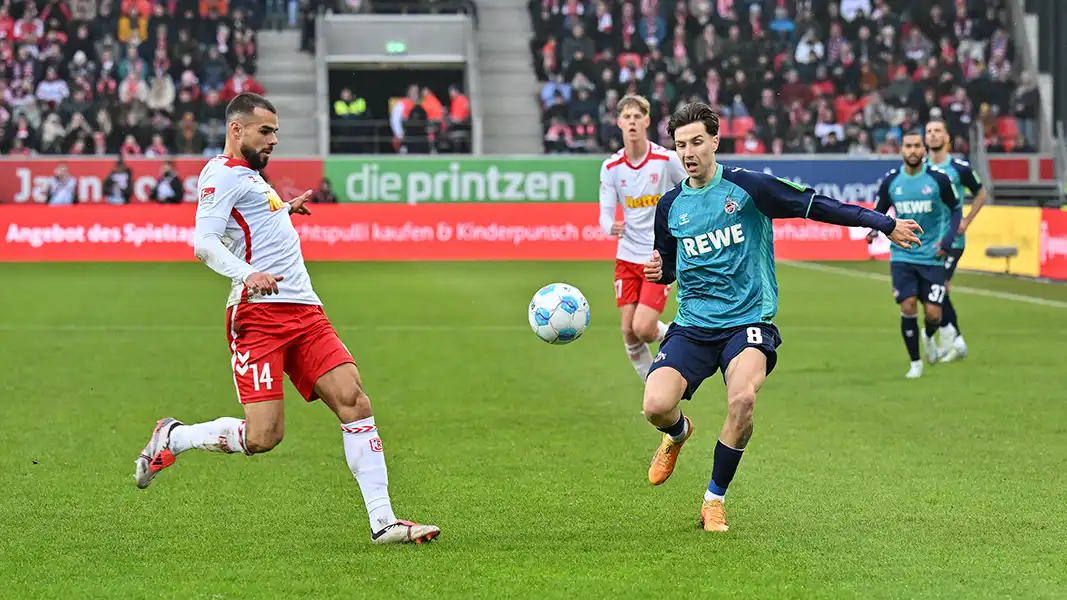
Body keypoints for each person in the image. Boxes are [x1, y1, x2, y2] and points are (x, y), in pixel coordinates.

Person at [132, 93, 440, 546]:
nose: (274, 139)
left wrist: (282, 210)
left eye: (275, 131)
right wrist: (247, 273)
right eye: (265, 131)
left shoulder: (252, 178)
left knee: (354, 400)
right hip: (259, 317)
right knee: (263, 436)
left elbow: (251, 225)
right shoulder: (221, 175)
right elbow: (204, 242)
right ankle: (174, 438)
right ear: (237, 130)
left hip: (305, 309)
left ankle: (384, 522)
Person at [641, 103, 921, 532]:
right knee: (655, 406)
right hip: (694, 325)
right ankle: (678, 433)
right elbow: (674, 264)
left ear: (715, 141)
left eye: (697, 142)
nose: (689, 152)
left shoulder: (748, 188)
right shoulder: (670, 206)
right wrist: (664, 270)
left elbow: (816, 205)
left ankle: (713, 500)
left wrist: (883, 223)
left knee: (743, 400)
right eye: (681, 145)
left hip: (748, 320)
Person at [598, 94, 687, 381]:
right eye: (627, 117)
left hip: (657, 256)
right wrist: (610, 225)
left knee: (645, 329)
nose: (632, 122)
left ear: (647, 121)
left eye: (638, 116)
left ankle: (682, 336)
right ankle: (654, 388)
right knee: (629, 332)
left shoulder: (665, 160)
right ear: (619, 122)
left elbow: (692, 188)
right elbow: (605, 214)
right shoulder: (611, 167)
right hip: (626, 257)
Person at [867, 130, 962, 379]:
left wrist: (948, 239)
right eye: (908, 146)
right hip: (902, 255)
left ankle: (929, 335)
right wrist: (873, 231)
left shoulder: (938, 179)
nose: (912, 150)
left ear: (923, 150)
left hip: (932, 255)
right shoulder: (891, 181)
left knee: (933, 314)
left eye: (916, 146)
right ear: (901, 149)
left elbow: (956, 209)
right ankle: (915, 363)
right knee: (908, 306)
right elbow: (878, 211)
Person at [924, 119, 985, 362]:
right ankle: (953, 339)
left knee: (937, 287)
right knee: (934, 288)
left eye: (938, 130)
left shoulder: (960, 168)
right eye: (928, 131)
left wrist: (967, 220)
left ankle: (953, 339)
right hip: (927, 239)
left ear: (947, 138)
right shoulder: (919, 168)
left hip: (952, 240)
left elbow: (981, 193)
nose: (933, 135)